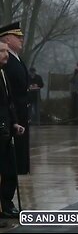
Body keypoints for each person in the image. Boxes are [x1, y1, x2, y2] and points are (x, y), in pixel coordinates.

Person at [0, 41, 25, 220]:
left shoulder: (3, 72)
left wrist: (14, 122)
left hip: (6, 130)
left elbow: (8, 102)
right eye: (1, 51)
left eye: (6, 51)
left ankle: (6, 204)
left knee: (10, 171)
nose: (5, 54)